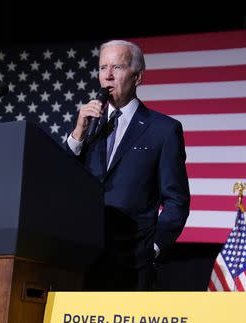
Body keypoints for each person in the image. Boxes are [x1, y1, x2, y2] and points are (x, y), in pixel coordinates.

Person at [65, 39, 190, 290]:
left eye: (117, 68)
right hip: (84, 260)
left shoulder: (163, 130)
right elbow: (63, 180)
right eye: (102, 68)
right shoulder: (89, 126)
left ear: (138, 77)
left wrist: (152, 248)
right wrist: (78, 134)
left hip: (134, 263)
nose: (107, 77)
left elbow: (177, 201)